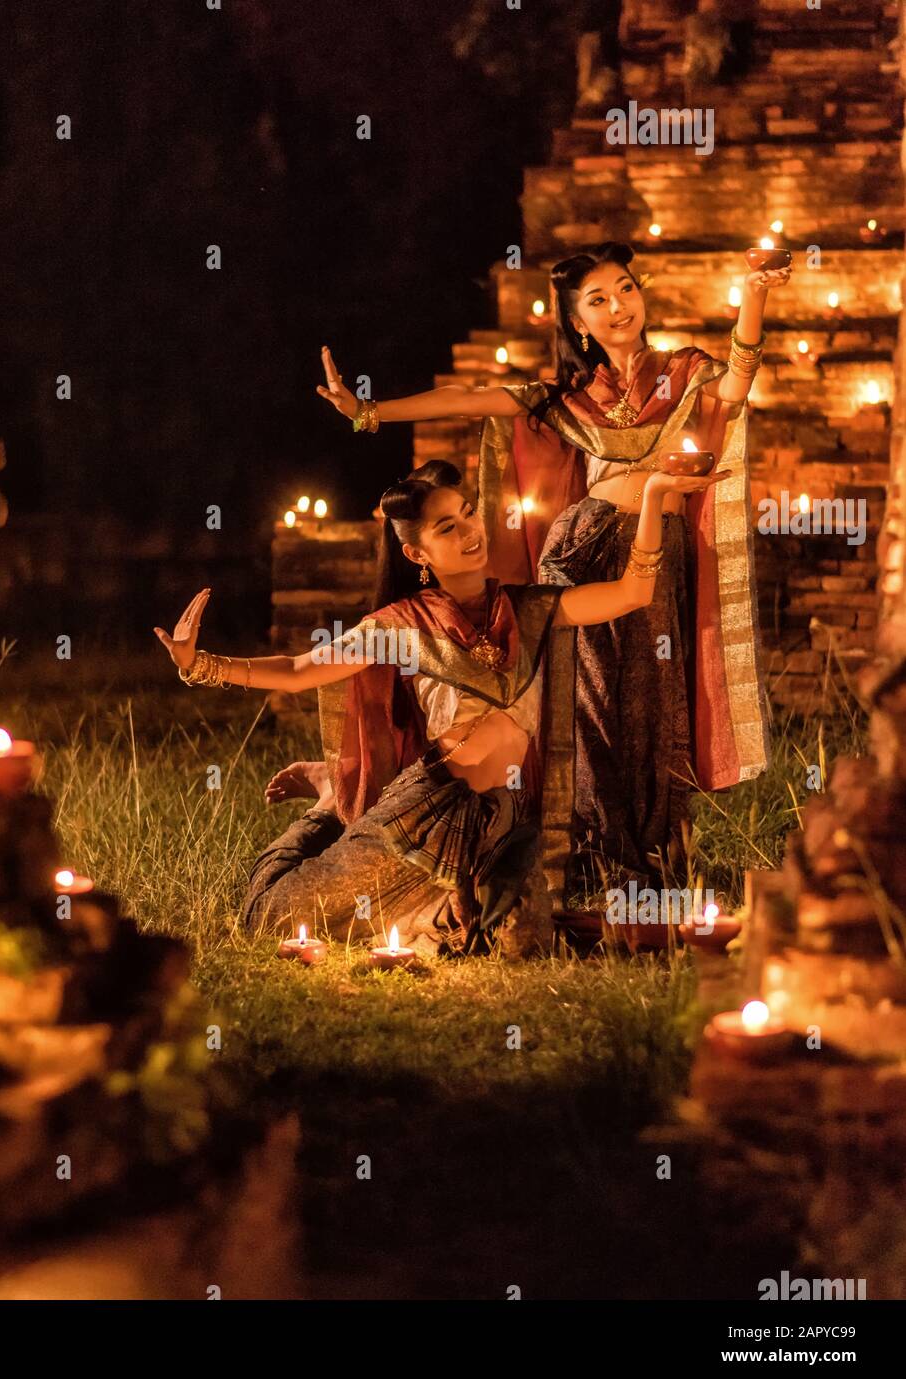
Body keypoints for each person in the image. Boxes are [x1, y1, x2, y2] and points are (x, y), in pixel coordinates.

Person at [313, 239, 789, 898]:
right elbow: (466, 397)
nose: (618, 305)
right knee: (584, 706)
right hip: (576, 552)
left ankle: (655, 856)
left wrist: (756, 291)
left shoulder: (682, 373)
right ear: (576, 322)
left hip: (658, 556)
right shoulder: (567, 398)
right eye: (597, 299)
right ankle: (593, 860)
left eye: (624, 287)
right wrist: (368, 411)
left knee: (653, 700)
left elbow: (736, 387)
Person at [155, 459, 725, 958]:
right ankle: (329, 803)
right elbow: (301, 671)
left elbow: (632, 593)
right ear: (416, 553)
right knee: (271, 916)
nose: (469, 531)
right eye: (446, 527)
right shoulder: (402, 626)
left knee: (519, 944)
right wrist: (200, 664)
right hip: (423, 814)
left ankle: (447, 911)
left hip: (498, 821)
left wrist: (652, 495)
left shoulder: (528, 608)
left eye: (469, 513)